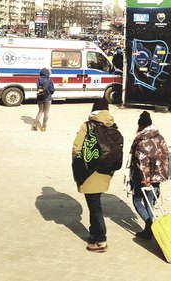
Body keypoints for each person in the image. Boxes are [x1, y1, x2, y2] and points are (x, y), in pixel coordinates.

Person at [71, 99, 120, 252]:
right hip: (106, 171)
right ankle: (93, 234)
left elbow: (76, 148)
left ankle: (101, 240)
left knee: (95, 206)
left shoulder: (87, 125)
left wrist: (78, 165)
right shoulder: (113, 125)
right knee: (94, 202)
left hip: (90, 172)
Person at [129, 111, 170, 240]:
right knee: (150, 204)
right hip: (158, 177)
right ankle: (148, 231)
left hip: (146, 179)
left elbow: (142, 165)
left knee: (137, 201)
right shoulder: (160, 137)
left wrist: (145, 183)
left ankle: (151, 226)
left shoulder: (142, 141)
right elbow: (166, 156)